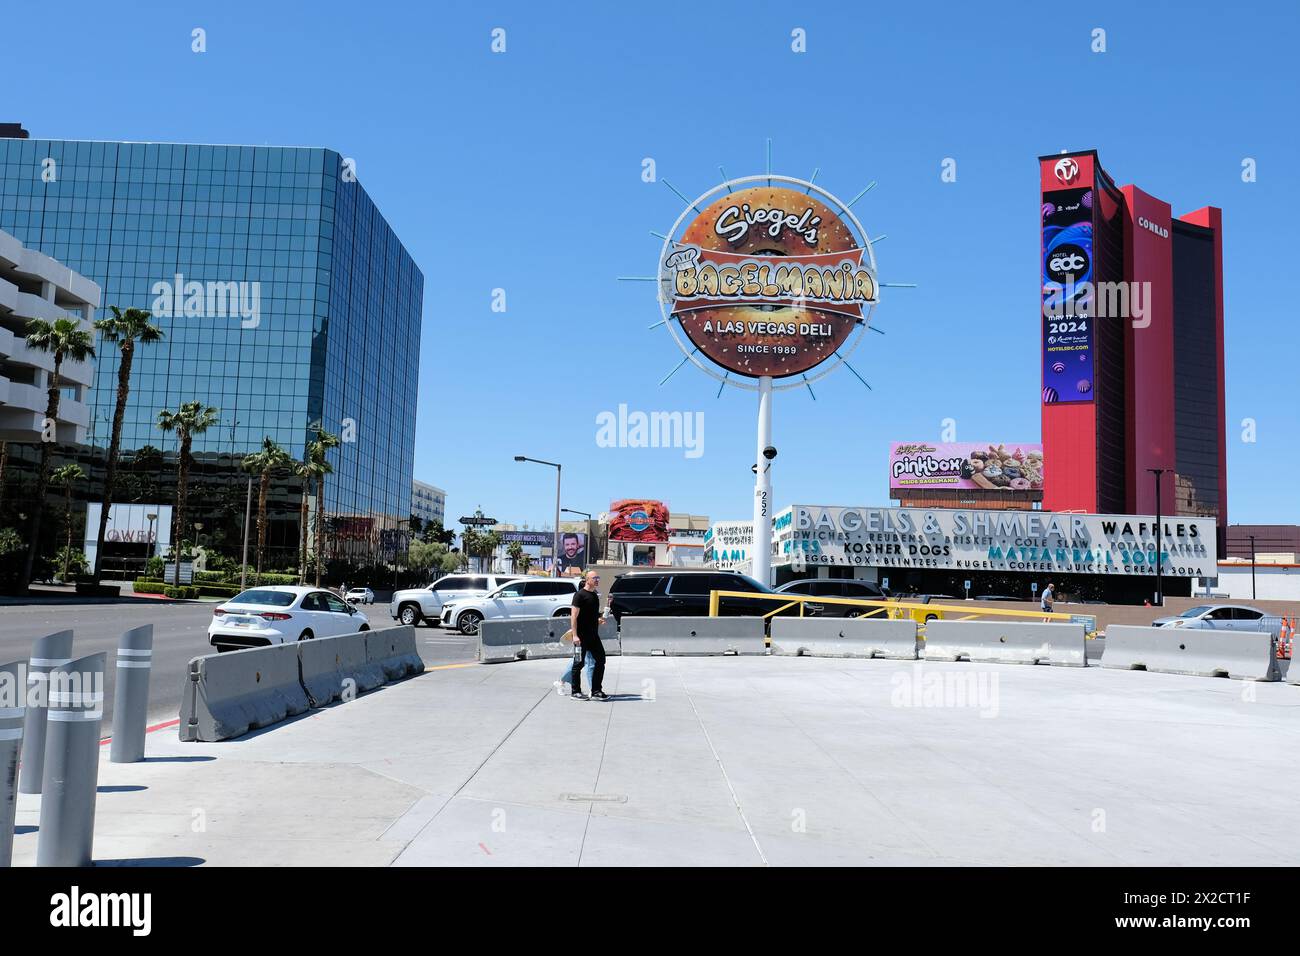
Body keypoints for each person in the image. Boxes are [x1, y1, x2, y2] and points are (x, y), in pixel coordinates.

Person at [569, 570, 608, 701]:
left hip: (593, 636)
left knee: (601, 660)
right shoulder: (579, 595)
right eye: (594, 578)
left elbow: (590, 615)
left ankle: (596, 690)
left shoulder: (595, 595)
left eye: (598, 577)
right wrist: (575, 636)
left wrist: (598, 620)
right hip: (581, 637)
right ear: (588, 580)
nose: (597, 580)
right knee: (578, 663)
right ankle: (575, 692)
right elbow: (574, 617)